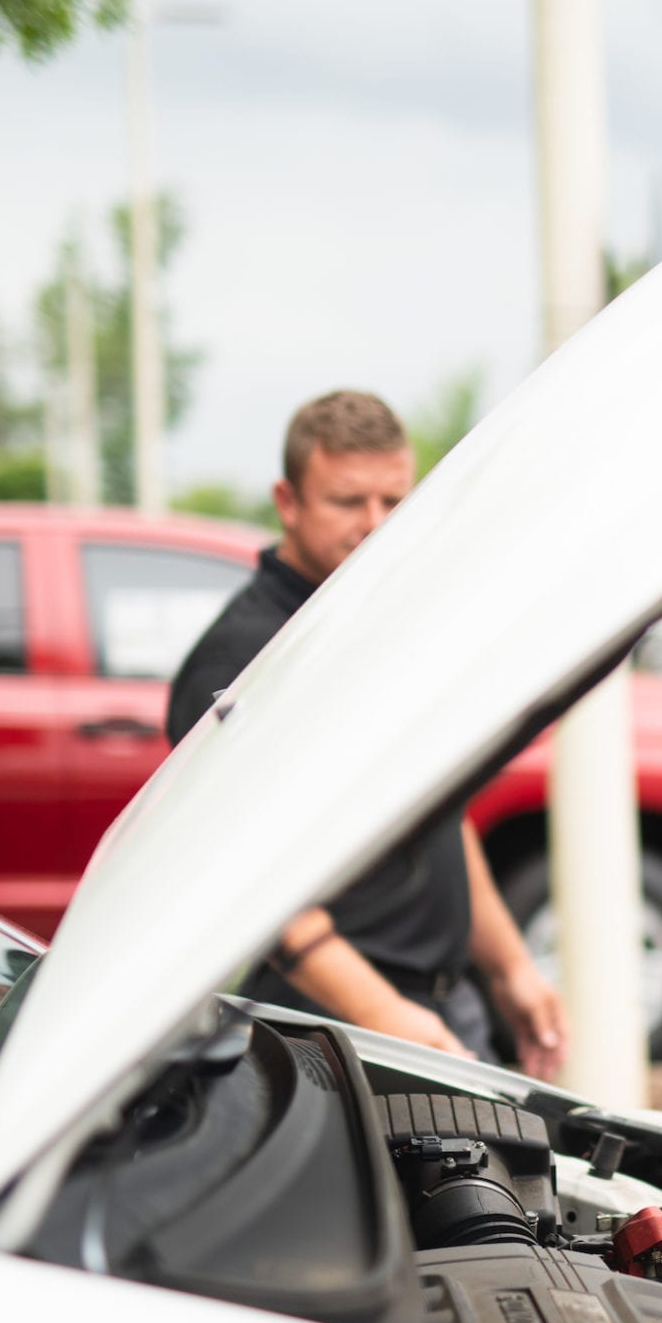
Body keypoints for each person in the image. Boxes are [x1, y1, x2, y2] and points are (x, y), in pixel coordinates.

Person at [166, 389, 566, 1077]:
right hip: (330, 1033)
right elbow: (239, 875)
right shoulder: (241, 659)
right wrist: (381, 1013)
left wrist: (509, 967)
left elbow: (438, 810)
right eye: (348, 502)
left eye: (395, 502)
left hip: (442, 1005)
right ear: (287, 501)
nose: (376, 526)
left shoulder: (387, 626)